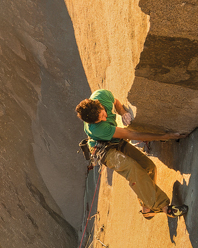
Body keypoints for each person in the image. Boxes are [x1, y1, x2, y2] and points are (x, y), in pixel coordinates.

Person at [77, 89, 182, 219]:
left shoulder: (101, 95)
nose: (104, 118)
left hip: (115, 140)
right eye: (100, 120)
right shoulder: (97, 128)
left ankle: (147, 207)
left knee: (149, 168)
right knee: (132, 169)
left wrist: (123, 112)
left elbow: (115, 102)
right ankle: (163, 206)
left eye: (103, 114)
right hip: (104, 150)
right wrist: (164, 136)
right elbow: (132, 135)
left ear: (99, 103)